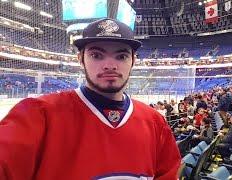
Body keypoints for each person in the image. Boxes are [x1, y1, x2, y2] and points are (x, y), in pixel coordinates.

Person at [0, 18, 181, 179]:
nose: (110, 65)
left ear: (133, 60)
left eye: (121, 56)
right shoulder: (37, 116)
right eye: (96, 55)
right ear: (80, 59)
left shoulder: (155, 122)